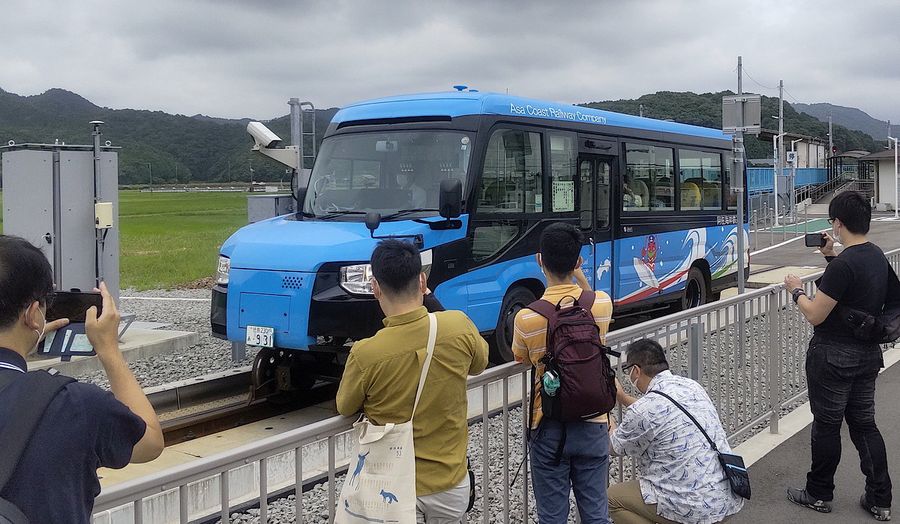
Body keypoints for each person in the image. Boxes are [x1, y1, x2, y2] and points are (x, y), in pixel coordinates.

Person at [0, 235, 164, 523]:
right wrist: (109, 350)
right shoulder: (75, 404)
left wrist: (25, 342)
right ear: (33, 314)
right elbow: (150, 442)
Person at [336, 239, 488, 523]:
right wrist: (431, 301)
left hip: (394, 485)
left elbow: (345, 406)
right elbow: (480, 363)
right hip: (451, 483)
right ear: (422, 281)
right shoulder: (458, 325)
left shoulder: (366, 353)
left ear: (375, 288)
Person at [783, 191, 892, 521]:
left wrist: (796, 290)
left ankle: (818, 493)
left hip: (832, 356)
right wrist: (830, 255)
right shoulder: (876, 257)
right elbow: (854, 297)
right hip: (867, 355)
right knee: (863, 425)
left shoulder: (845, 265)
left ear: (838, 223)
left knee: (827, 426)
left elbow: (816, 314)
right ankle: (880, 498)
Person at [512, 222, 614, 523]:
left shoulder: (527, 317)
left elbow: (522, 359)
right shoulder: (601, 305)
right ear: (579, 261)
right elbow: (588, 294)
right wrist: (579, 273)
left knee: (553, 517)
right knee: (596, 514)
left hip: (549, 426)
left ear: (539, 260)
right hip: (594, 422)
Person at [608, 339, 744, 524]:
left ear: (636, 371)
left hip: (693, 507)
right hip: (726, 496)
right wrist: (623, 397)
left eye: (628, 371)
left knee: (611, 499)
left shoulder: (644, 410)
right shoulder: (691, 386)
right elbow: (660, 414)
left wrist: (608, 416)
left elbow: (614, 446)